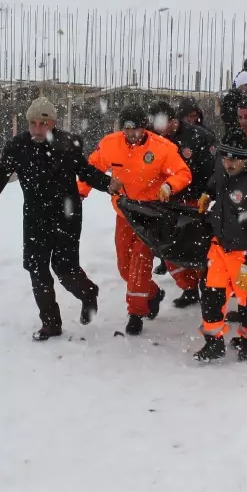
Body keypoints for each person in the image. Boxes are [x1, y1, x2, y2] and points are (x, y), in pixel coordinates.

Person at [0, 97, 115, 341]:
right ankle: (51, 323)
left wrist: (108, 183)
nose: (37, 129)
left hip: (66, 215)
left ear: (53, 124)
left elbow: (86, 171)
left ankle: (88, 292)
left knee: (64, 268)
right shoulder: (18, 146)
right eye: (33, 123)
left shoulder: (67, 144)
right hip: (35, 216)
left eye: (43, 124)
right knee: (36, 269)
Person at [81, 105, 192, 335]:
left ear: (145, 128)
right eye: (127, 130)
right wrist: (81, 192)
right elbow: (91, 168)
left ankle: (136, 313)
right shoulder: (111, 144)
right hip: (124, 213)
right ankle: (153, 293)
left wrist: (168, 185)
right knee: (124, 267)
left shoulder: (163, 148)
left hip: (151, 215)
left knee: (139, 265)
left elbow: (183, 173)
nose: (132, 135)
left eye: (137, 129)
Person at [193, 130, 247, 363]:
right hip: (221, 247)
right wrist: (207, 193)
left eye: (233, 159)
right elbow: (216, 180)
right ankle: (214, 342)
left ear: (245, 158)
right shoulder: (225, 166)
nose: (227, 163)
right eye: (225, 158)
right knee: (212, 295)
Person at [148, 100, 216, 307]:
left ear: (173, 120)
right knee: (169, 249)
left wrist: (208, 194)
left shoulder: (199, 137)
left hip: (193, 200)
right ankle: (188, 288)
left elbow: (214, 170)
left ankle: (208, 286)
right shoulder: (155, 138)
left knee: (196, 247)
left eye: (160, 123)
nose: (157, 128)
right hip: (167, 200)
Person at [220, 71, 247, 138]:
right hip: (234, 136)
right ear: (240, 86)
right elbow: (226, 117)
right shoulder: (230, 98)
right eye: (246, 85)